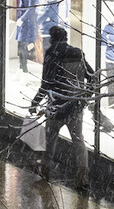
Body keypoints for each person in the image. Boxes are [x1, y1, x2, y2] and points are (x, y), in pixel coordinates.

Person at [31, 25, 95, 189]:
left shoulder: (52, 54)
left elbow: (46, 83)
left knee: (50, 143)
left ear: (52, 39)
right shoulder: (77, 53)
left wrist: (35, 102)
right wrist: (85, 96)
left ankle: (45, 172)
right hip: (74, 108)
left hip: (56, 108)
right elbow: (92, 76)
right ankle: (82, 177)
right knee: (78, 141)